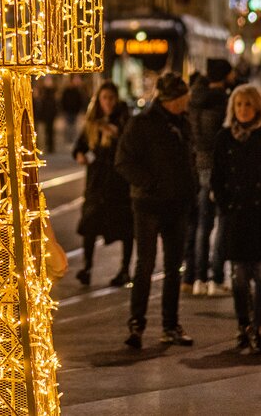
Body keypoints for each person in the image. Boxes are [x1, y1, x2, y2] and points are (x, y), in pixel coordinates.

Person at [115, 72, 197, 349]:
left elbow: (190, 159)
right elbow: (123, 162)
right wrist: (150, 183)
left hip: (178, 204)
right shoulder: (142, 124)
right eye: (183, 97)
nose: (187, 101)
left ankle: (170, 324)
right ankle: (137, 324)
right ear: (172, 100)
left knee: (174, 267)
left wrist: (191, 189)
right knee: (145, 265)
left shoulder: (184, 123)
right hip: (148, 204)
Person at [211, 84, 261, 356]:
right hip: (237, 215)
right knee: (239, 276)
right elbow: (217, 177)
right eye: (239, 105)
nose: (243, 110)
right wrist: (226, 205)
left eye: (248, 104)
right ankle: (243, 324)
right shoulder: (224, 138)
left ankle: (258, 328)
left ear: (258, 107)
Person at [73, 81, 132, 287]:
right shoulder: (92, 123)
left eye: (111, 98)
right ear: (99, 100)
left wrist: (117, 136)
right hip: (96, 184)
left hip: (118, 184)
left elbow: (132, 147)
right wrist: (80, 155)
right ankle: (87, 267)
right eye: (104, 98)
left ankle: (125, 269)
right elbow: (79, 147)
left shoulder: (125, 120)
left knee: (125, 228)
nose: (108, 102)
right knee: (90, 225)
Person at [188, 58, 235, 297]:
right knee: (223, 222)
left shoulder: (195, 98)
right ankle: (216, 277)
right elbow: (225, 136)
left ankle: (198, 278)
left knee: (201, 225)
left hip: (199, 165)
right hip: (217, 168)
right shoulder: (220, 101)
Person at [60, 76, 86, 146]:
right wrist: (63, 109)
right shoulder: (66, 91)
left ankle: (71, 138)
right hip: (67, 110)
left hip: (74, 110)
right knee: (68, 125)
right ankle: (68, 138)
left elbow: (80, 100)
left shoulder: (76, 91)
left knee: (73, 125)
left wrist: (79, 109)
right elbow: (62, 100)